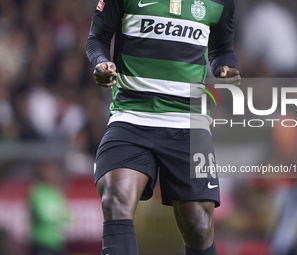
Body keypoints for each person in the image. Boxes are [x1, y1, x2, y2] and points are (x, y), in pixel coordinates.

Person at [86, 0, 240, 254]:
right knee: (115, 197)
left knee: (199, 225)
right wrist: (100, 62)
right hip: (131, 115)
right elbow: (97, 37)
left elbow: (222, 48)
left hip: (189, 122)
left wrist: (224, 68)